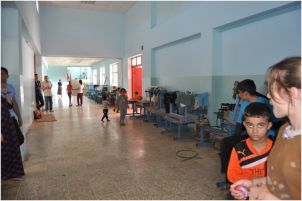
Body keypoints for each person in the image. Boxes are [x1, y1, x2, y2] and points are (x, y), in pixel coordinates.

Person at [230, 56, 301, 200]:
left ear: (293, 93)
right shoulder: (285, 131)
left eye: (272, 89)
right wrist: (255, 183)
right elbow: (281, 180)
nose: (268, 95)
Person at [220, 79, 272, 178]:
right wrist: (237, 135)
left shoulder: (262, 103)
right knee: (227, 144)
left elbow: (264, 124)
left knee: (229, 145)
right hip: (247, 132)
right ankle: (229, 174)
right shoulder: (244, 102)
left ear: (246, 93)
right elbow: (240, 120)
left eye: (239, 92)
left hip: (263, 135)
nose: (238, 95)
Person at [227, 102, 273, 184]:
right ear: (244, 125)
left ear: (269, 125)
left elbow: (281, 177)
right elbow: (232, 176)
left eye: (260, 125)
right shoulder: (239, 149)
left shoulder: (276, 148)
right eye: (250, 125)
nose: (255, 131)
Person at [1, 96, 25, 181]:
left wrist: (7, 96)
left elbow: (9, 106)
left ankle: (15, 173)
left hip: (8, 124)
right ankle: (6, 174)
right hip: (2, 127)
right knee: (4, 151)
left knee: (13, 147)